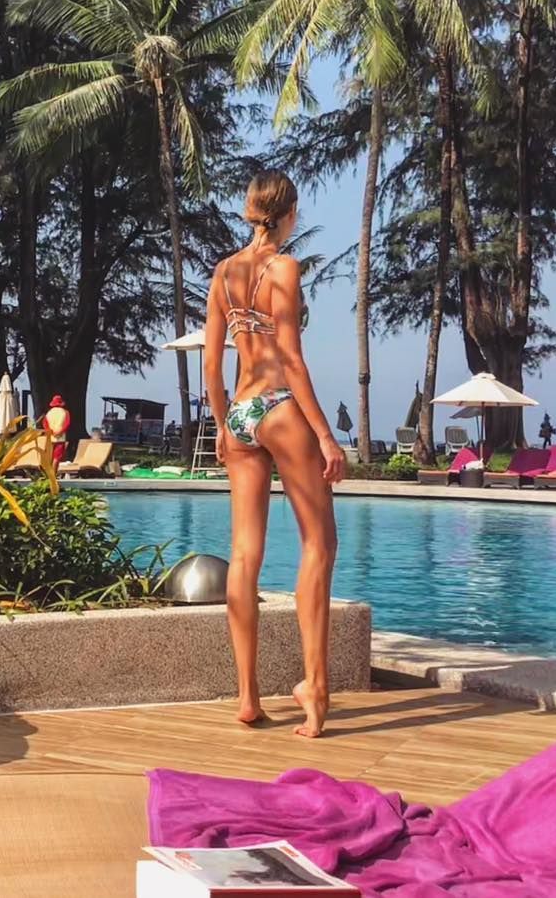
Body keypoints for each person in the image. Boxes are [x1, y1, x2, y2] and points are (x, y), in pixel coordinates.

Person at [204, 169, 345, 738]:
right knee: (320, 544)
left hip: (240, 413)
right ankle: (315, 689)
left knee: (243, 555)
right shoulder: (284, 267)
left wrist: (221, 424)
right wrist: (326, 435)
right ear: (289, 215)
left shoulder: (222, 273)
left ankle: (247, 695)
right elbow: (289, 357)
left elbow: (211, 364)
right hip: (280, 406)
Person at [43, 394, 71, 471]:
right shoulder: (65, 412)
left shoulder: (49, 413)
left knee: (50, 456)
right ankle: (53, 473)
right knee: (57, 457)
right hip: (60, 438)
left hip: (50, 438)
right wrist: (60, 432)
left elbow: (45, 424)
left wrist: (51, 432)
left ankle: (48, 473)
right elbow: (67, 424)